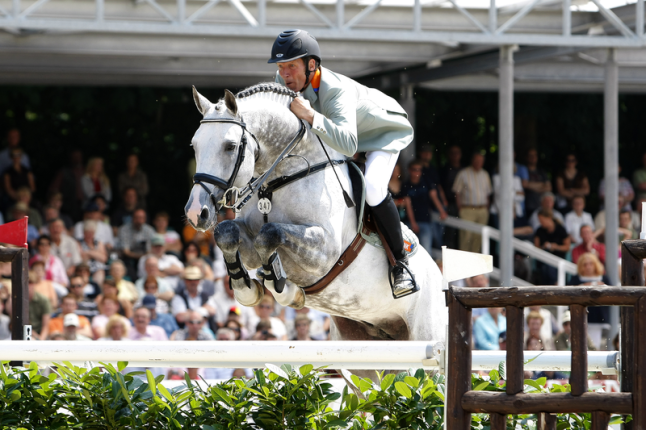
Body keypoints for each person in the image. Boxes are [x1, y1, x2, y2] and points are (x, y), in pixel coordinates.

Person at [270, 29, 416, 298]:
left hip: (382, 134)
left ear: (311, 64)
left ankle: (400, 264)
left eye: (291, 65)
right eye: (281, 66)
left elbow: (348, 144)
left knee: (372, 187)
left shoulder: (335, 90)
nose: (285, 73)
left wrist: (311, 115)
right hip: (346, 137)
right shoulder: (283, 81)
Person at [452, 151, 492, 253]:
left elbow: (488, 194)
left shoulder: (485, 174)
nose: (479, 163)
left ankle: (475, 266)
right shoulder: (463, 173)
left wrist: (486, 208)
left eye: (481, 161)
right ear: (472, 161)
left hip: (482, 210)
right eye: (477, 160)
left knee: (479, 238)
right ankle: (465, 265)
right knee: (466, 236)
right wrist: (460, 208)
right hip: (467, 209)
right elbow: (457, 192)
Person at [401, 160, 433, 253]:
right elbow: (408, 205)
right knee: (408, 250)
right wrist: (413, 222)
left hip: (425, 220)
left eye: (419, 170)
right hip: (410, 222)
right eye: (414, 169)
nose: (417, 172)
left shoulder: (426, 182)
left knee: (426, 251)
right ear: (409, 170)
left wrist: (442, 210)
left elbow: (433, 196)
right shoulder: (406, 185)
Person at [569, 252, 611, 323]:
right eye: (585, 264)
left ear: (595, 264)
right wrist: (588, 285)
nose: (588, 267)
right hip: (580, 317)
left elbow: (611, 295)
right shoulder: (575, 279)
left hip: (600, 317)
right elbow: (570, 294)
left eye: (591, 264)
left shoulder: (604, 278)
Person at [533, 209, 571, 284]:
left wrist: (556, 247)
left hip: (558, 260)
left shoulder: (561, 229)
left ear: (549, 218)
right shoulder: (539, 230)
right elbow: (536, 249)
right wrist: (544, 247)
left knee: (552, 268)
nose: (541, 223)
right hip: (544, 261)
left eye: (542, 220)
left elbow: (567, 247)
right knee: (547, 267)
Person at [118, 208, 155, 280]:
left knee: (150, 262)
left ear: (145, 219)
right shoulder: (124, 229)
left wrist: (143, 257)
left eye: (141, 218)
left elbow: (149, 251)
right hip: (128, 258)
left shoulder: (149, 230)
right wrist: (141, 256)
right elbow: (126, 252)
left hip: (144, 257)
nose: (139, 220)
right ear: (132, 218)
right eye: (137, 218)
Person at [440, 145, 462, 249]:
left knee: (462, 231)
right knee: (450, 231)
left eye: (457, 153)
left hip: (464, 205)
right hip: (449, 204)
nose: (455, 155)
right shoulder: (444, 170)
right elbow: (440, 186)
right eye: (452, 153)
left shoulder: (463, 170)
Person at [523, 148, 551, 216]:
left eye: (535, 155)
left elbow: (549, 188)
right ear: (526, 157)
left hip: (541, 206)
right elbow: (525, 184)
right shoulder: (523, 170)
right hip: (528, 206)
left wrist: (531, 186)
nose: (533, 157)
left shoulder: (542, 171)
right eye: (530, 155)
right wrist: (541, 184)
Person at [79, 220, 108, 284]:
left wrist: (89, 252)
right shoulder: (78, 243)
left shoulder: (99, 243)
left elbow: (104, 258)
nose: (89, 235)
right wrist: (96, 254)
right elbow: (81, 258)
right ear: (83, 232)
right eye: (87, 233)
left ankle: (98, 291)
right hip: (85, 268)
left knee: (100, 273)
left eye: (91, 233)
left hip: (99, 268)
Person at [28, 271, 51, 340]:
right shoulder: (16, 300)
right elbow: (16, 323)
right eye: (26, 283)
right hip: (22, 332)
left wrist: (40, 340)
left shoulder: (44, 300)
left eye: (30, 283)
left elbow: (45, 326)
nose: (28, 285)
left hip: (39, 333)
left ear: (35, 284)